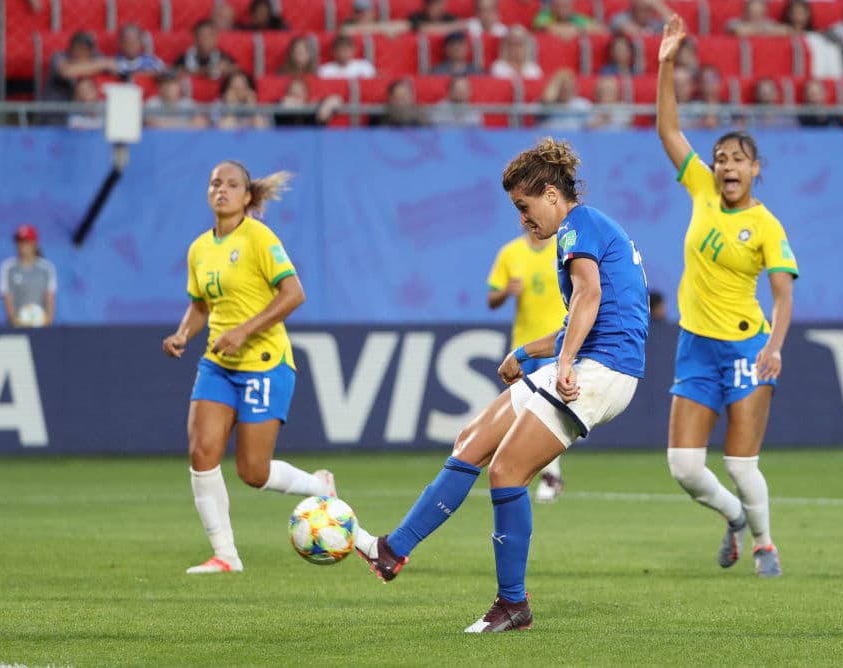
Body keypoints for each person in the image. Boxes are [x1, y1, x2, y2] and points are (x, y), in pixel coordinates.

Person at [354, 137, 650, 632]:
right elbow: (585, 313)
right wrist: (526, 353)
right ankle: (392, 550)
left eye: (525, 206)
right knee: (472, 441)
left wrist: (566, 362)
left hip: (605, 370)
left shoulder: (580, 226)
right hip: (593, 359)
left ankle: (513, 604)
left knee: (506, 471)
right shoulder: (585, 229)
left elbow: (590, 295)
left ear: (552, 195)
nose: (522, 220)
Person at [656, 15, 799, 578]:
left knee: (741, 463)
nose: (727, 166)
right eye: (721, 158)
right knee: (685, 467)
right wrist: (666, 61)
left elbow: (783, 296)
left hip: (747, 348)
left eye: (738, 159)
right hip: (696, 346)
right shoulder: (701, 190)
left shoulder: (767, 226)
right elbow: (669, 131)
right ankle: (737, 518)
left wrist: (776, 348)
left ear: (755, 170)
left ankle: (765, 543)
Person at [162, 161, 336, 574]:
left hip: (264, 362)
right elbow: (201, 303)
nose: (221, 189)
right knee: (202, 451)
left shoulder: (258, 236)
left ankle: (318, 486)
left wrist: (243, 331)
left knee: (252, 472)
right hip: (218, 364)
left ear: (246, 196)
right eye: (214, 183)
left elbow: (294, 294)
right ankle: (225, 555)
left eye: (231, 184)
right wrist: (183, 333)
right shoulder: (199, 248)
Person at [486, 224, 569, 504]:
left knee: (548, 410)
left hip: (557, 342)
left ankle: (550, 475)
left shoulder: (564, 245)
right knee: (525, 414)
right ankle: (549, 474)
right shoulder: (510, 253)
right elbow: (492, 298)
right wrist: (506, 291)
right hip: (523, 347)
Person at [0, 224, 57, 328]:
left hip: (42, 329)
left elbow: (50, 299)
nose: (22, 245)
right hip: (16, 329)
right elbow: (7, 299)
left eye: (26, 241)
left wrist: (45, 323)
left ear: (34, 243)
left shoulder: (46, 268)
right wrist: (18, 323)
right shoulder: (8, 268)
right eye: (19, 241)